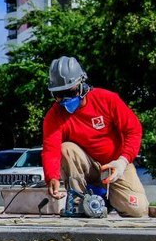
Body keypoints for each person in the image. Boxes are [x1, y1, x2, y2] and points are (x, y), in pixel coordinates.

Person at [42, 56, 148, 218]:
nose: (64, 99)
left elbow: (133, 130)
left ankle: (108, 200)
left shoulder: (107, 100)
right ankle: (79, 202)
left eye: (69, 92)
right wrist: (52, 178)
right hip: (87, 166)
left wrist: (123, 161)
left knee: (137, 210)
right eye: (59, 94)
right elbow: (51, 149)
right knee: (66, 149)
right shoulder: (54, 115)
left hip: (115, 165)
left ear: (82, 85)